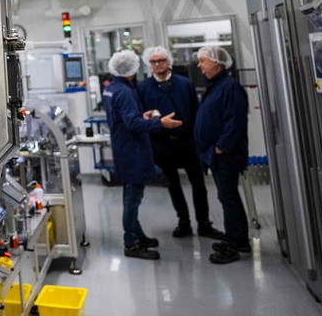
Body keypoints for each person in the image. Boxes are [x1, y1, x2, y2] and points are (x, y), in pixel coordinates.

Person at [103, 49, 182, 260]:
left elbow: (125, 117)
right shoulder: (126, 91)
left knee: (130, 194)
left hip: (123, 148)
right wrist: (160, 123)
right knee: (133, 198)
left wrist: (143, 115)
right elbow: (132, 123)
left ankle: (137, 234)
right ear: (133, 67)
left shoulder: (112, 88)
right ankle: (131, 243)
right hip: (132, 150)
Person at [139, 46, 223, 239]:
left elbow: (196, 112)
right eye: (153, 62)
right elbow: (142, 116)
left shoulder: (184, 83)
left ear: (169, 62)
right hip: (162, 144)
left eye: (161, 60)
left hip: (187, 142)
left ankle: (204, 223)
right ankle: (183, 221)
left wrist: (199, 140)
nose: (158, 64)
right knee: (173, 184)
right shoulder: (144, 88)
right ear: (148, 64)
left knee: (198, 184)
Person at [194, 46, 250, 264]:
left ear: (217, 63)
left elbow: (235, 121)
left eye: (203, 61)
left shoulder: (230, 87)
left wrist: (221, 147)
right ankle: (237, 238)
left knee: (227, 197)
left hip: (225, 154)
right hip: (216, 153)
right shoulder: (216, 86)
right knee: (227, 196)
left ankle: (235, 243)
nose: (199, 65)